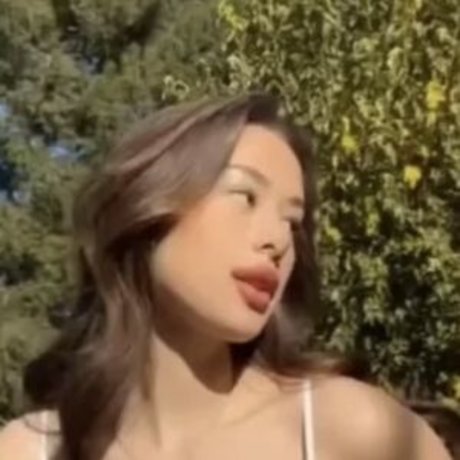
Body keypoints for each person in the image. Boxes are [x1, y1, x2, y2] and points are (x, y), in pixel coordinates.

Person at [0, 93, 452, 460]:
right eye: (245, 196)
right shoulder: (29, 451)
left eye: (293, 223)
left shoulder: (351, 431)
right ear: (146, 207)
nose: (277, 240)